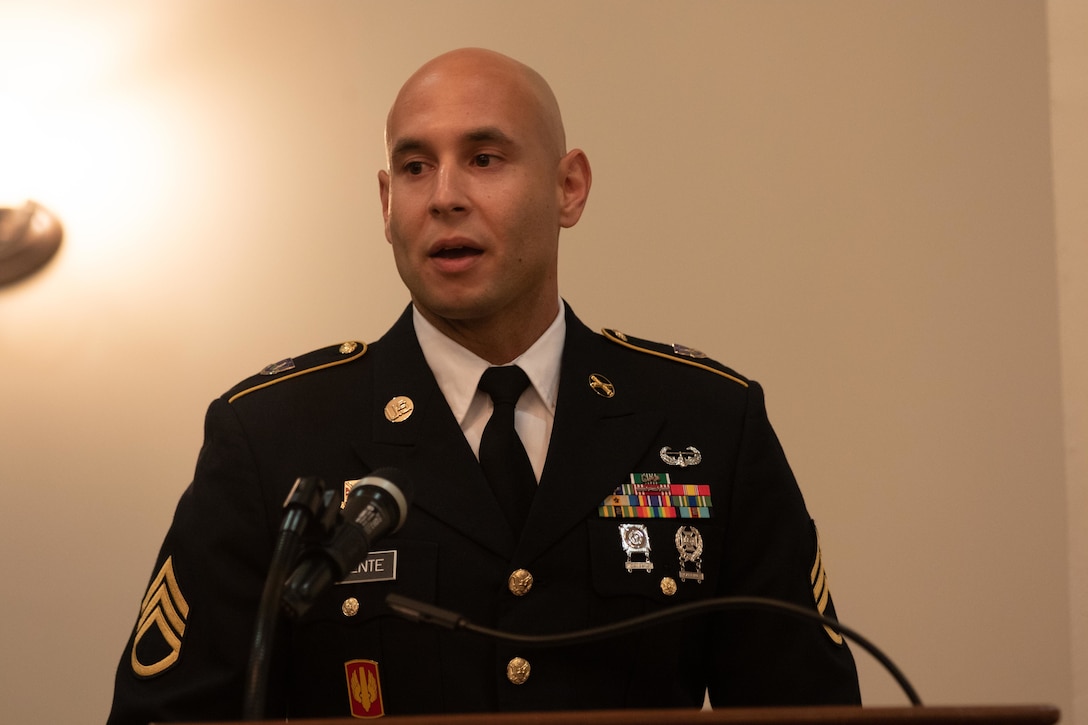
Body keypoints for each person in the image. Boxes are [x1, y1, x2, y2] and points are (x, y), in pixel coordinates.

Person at [107, 48, 861, 723]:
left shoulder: (704, 422)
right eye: (414, 167)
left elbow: (806, 710)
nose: (444, 196)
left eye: (485, 159)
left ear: (570, 188)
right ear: (385, 204)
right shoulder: (271, 435)